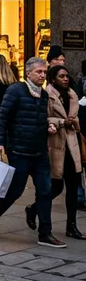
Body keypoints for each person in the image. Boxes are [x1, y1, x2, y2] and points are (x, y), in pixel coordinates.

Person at [0, 57, 65, 248]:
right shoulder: (15, 91)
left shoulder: (43, 96)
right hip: (19, 151)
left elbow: (38, 119)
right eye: (39, 72)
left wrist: (48, 127)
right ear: (28, 73)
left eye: (44, 72)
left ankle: (45, 232)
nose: (43, 75)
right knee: (14, 191)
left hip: (39, 152)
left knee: (45, 191)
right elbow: (2, 118)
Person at [24, 65, 83, 239]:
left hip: (72, 144)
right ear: (53, 79)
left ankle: (71, 226)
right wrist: (61, 122)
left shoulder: (72, 94)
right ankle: (33, 209)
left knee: (73, 186)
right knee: (56, 187)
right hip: (55, 144)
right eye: (61, 76)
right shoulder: (46, 95)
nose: (65, 79)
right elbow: (43, 118)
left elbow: (75, 117)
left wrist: (74, 122)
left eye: (66, 76)